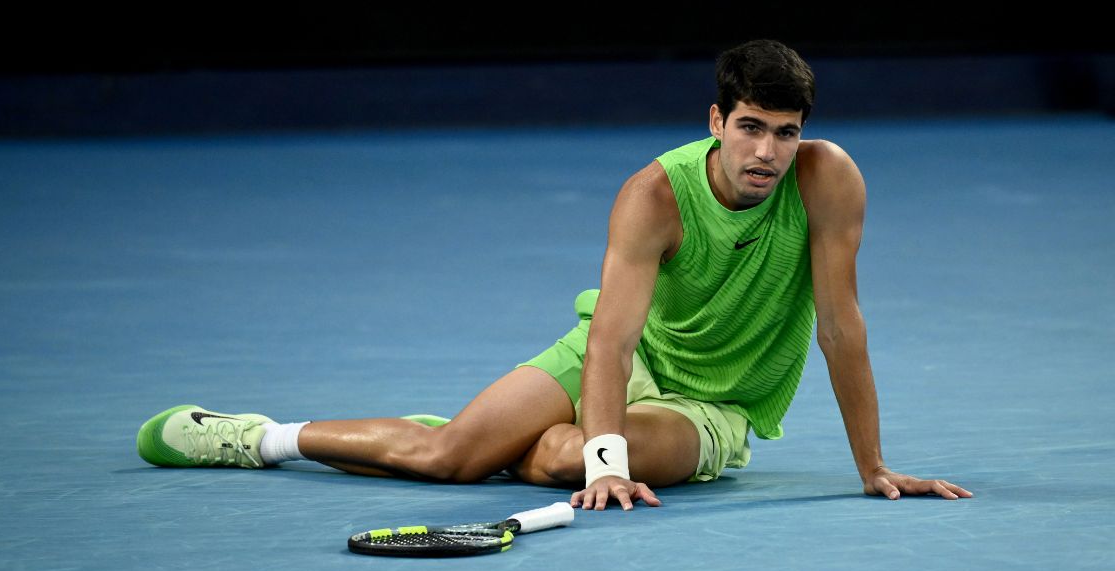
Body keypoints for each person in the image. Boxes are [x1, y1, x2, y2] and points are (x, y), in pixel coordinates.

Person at [136, 39, 972, 510]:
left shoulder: (828, 181)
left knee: (546, 456)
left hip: (707, 405)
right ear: (716, 120)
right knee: (445, 456)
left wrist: (874, 464)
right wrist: (607, 465)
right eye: (750, 127)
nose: (767, 152)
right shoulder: (654, 195)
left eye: (785, 133)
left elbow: (840, 325)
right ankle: (255, 436)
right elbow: (608, 342)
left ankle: (518, 439)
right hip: (618, 357)